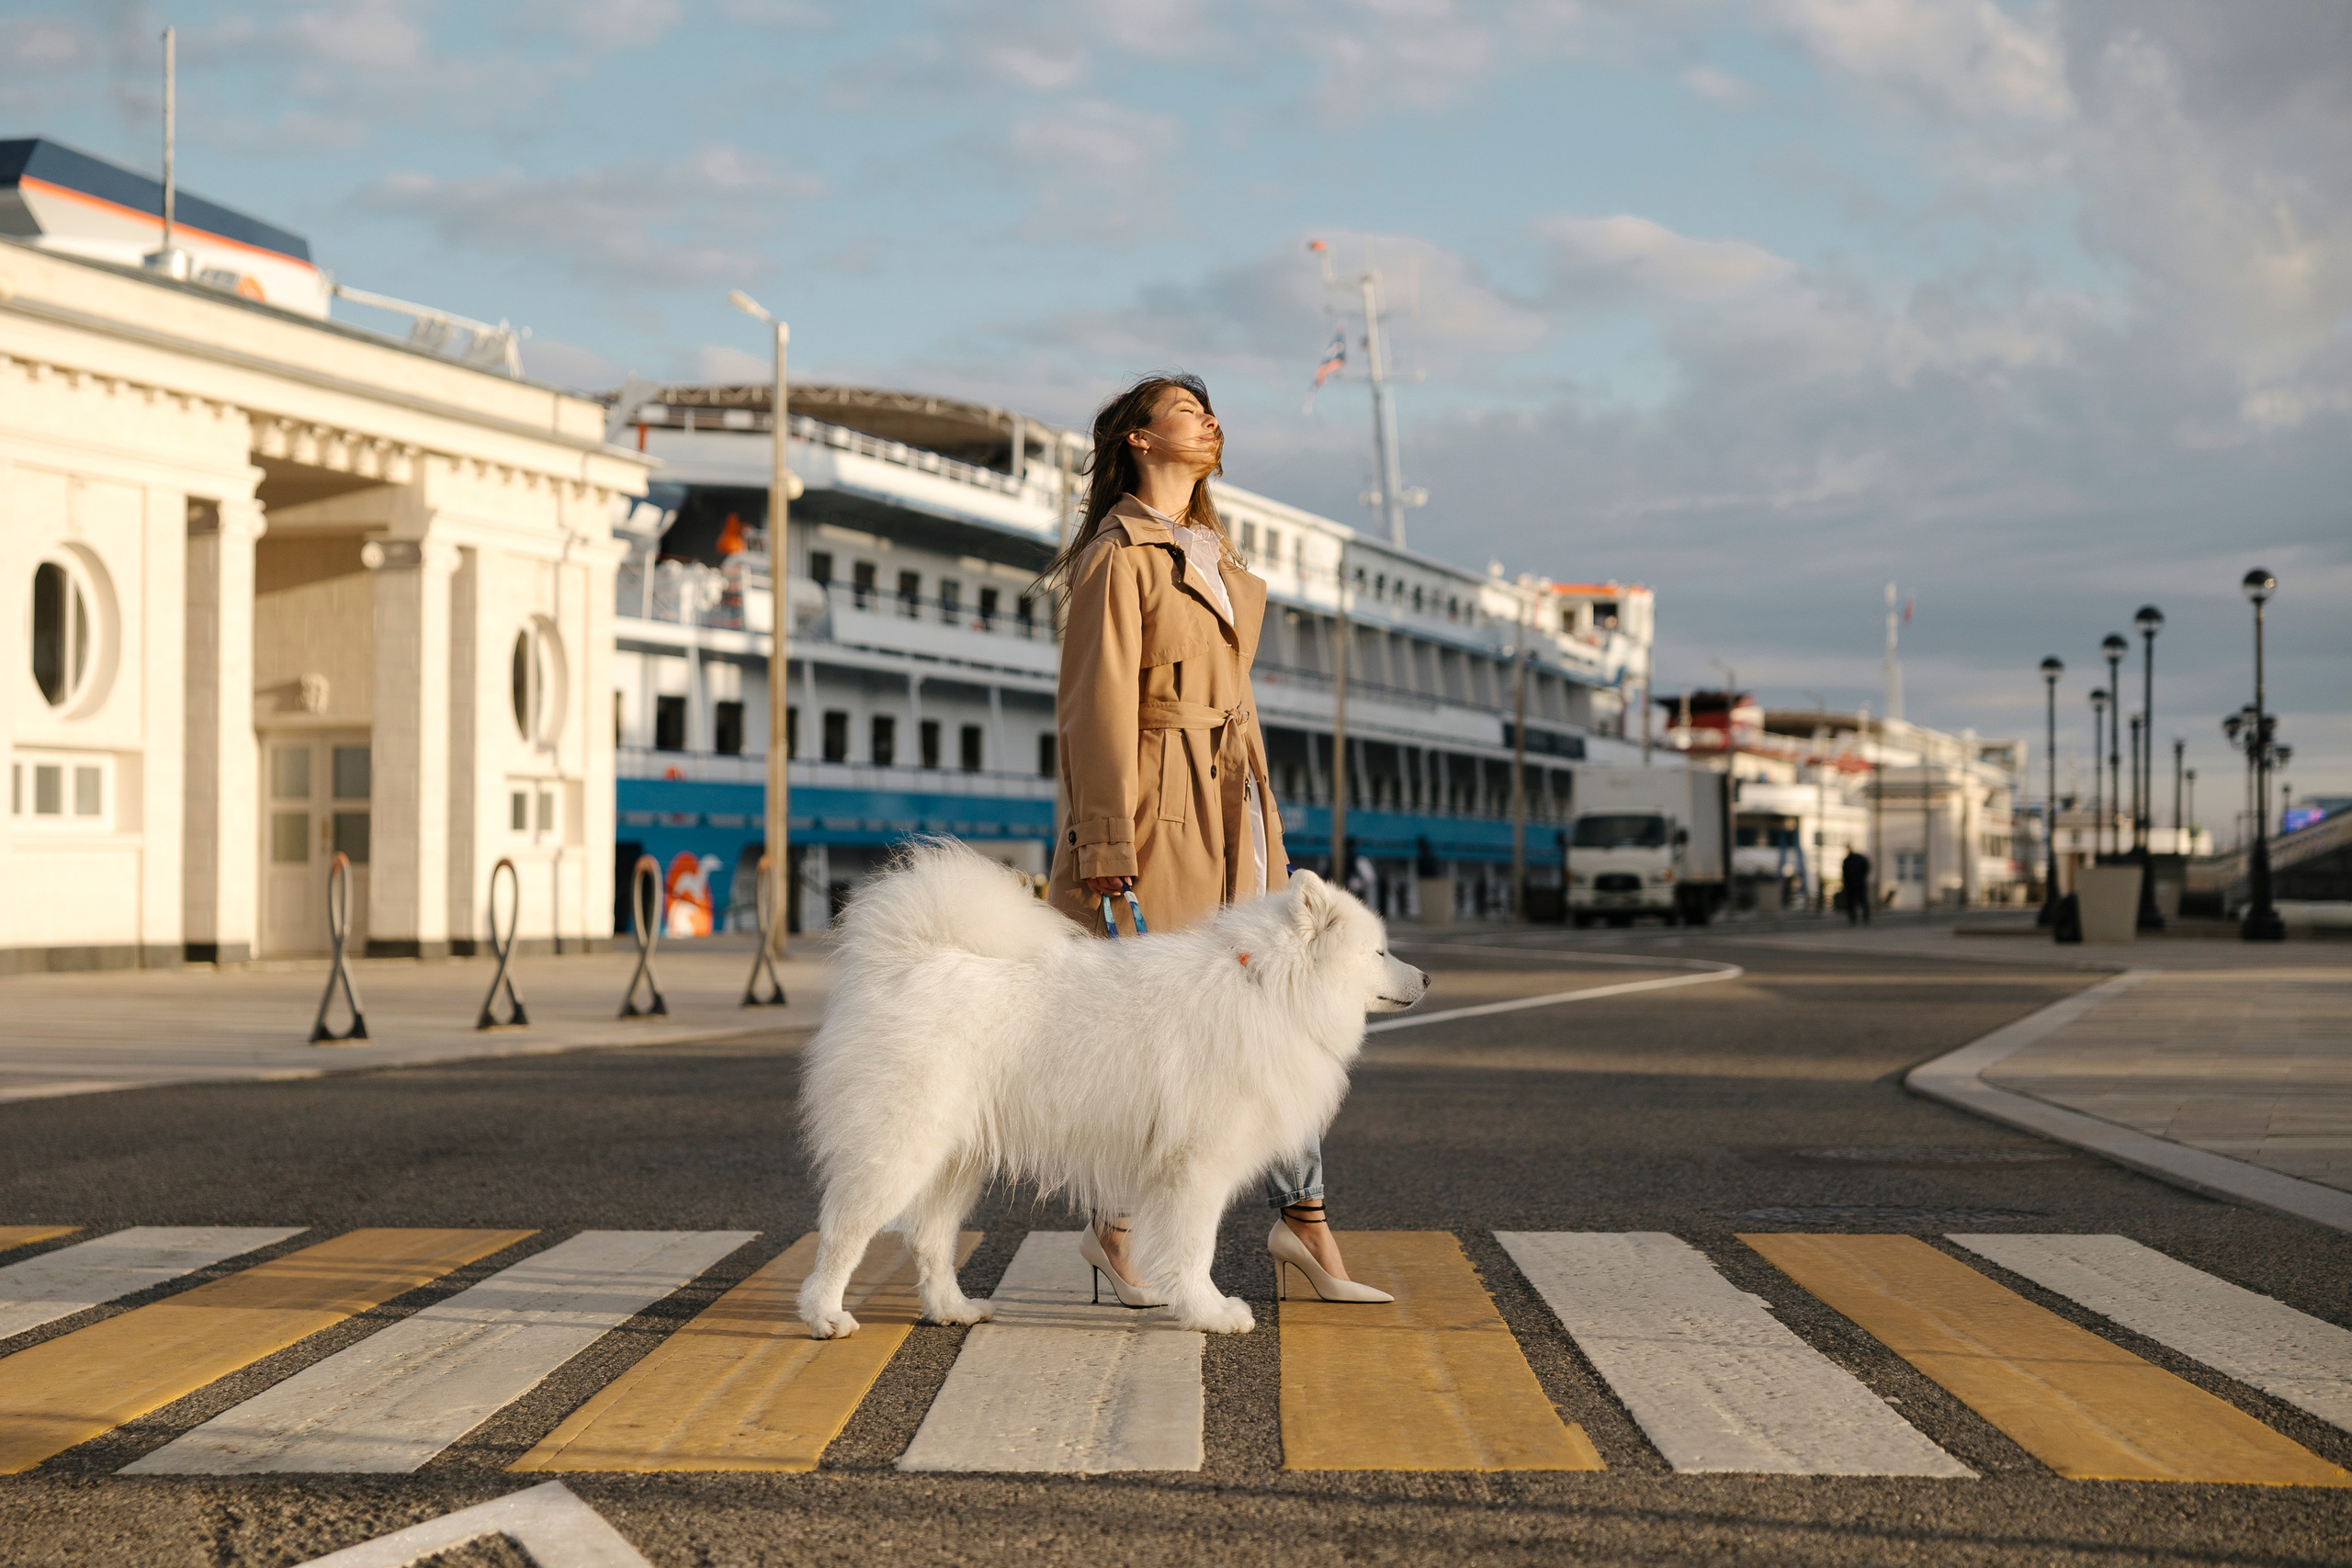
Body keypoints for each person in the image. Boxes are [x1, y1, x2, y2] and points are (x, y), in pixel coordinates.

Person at [1042, 372, 1389, 1307]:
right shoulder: (1119, 555)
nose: (1211, 423)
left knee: (1279, 1012)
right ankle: (1144, 1227)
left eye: (1211, 412)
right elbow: (1094, 710)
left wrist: (1266, 819)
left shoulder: (1211, 552)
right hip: (1160, 816)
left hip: (1236, 809)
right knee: (1168, 1037)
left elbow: (1232, 700)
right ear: (1139, 439)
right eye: (1189, 412)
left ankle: (1289, 1218)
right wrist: (1104, 844)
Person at [1841, 847, 1872, 924]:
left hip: (1853, 883)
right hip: (1858, 883)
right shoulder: (1858, 859)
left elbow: (1844, 873)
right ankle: (1864, 917)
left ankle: (1855, 918)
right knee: (1861, 901)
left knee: (1854, 902)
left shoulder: (1848, 860)